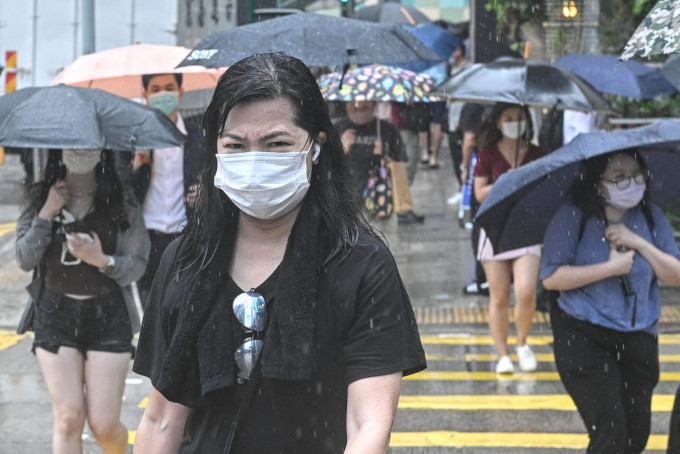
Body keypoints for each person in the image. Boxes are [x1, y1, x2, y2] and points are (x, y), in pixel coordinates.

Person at [132, 52, 427, 453]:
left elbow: (368, 426)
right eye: (235, 145)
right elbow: (162, 417)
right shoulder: (185, 261)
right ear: (215, 150)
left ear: (316, 148)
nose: (254, 161)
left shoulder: (361, 264)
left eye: (277, 143)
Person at [541, 150, 680, 453]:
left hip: (639, 334)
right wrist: (609, 269)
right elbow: (551, 277)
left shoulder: (650, 216)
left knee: (637, 433)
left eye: (636, 175)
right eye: (619, 177)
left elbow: (676, 274)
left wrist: (638, 242)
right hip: (584, 334)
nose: (631, 183)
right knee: (611, 433)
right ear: (597, 182)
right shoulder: (573, 216)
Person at [15, 149, 149, 453]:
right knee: (68, 419)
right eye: (71, 145)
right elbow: (24, 258)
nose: (79, 151)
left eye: (87, 145)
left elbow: (138, 262)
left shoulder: (120, 198)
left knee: (104, 426)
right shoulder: (40, 196)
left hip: (109, 316)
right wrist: (47, 212)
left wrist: (101, 260)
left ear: (101, 150)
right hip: (54, 314)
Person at [118, 73, 203, 308]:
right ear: (145, 96)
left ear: (180, 92)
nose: (163, 94)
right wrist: (136, 166)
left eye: (169, 87)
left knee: (184, 304)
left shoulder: (198, 137)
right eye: (155, 89)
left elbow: (212, 180)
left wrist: (204, 195)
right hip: (147, 237)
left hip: (186, 235)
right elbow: (122, 191)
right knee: (151, 309)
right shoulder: (133, 138)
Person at [474, 102, 545, 374]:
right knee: (499, 297)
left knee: (526, 292)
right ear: (499, 122)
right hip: (494, 229)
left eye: (520, 118)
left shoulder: (538, 153)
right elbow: (480, 193)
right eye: (509, 118)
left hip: (527, 228)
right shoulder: (487, 154)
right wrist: (507, 181)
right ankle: (502, 353)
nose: (515, 122)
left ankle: (522, 342)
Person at [336, 100, 425, 224]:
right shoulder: (339, 127)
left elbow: (401, 158)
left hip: (379, 194)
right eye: (354, 109)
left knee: (381, 236)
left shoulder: (386, 128)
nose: (359, 114)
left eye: (364, 109)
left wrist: (385, 153)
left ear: (373, 107)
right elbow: (327, 163)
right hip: (348, 196)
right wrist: (342, 147)